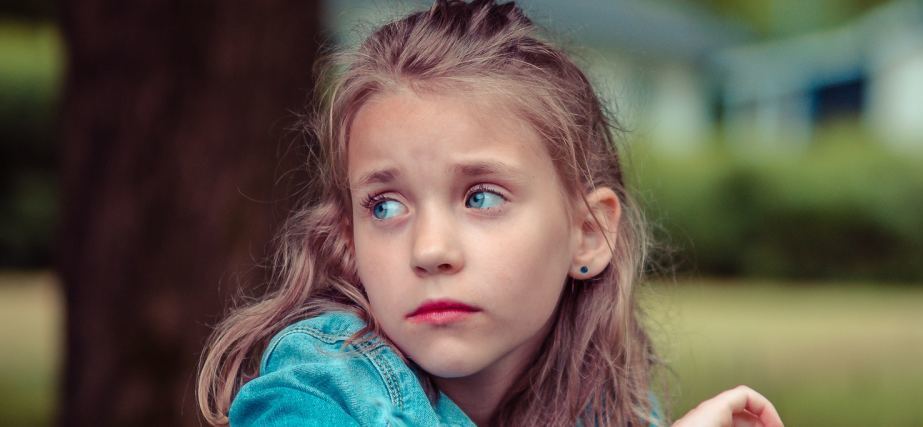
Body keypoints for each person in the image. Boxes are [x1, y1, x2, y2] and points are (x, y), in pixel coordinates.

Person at [195, 1, 784, 426]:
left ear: (588, 232)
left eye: (481, 197)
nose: (430, 250)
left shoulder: (612, 409)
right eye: (386, 206)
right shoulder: (314, 391)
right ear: (350, 240)